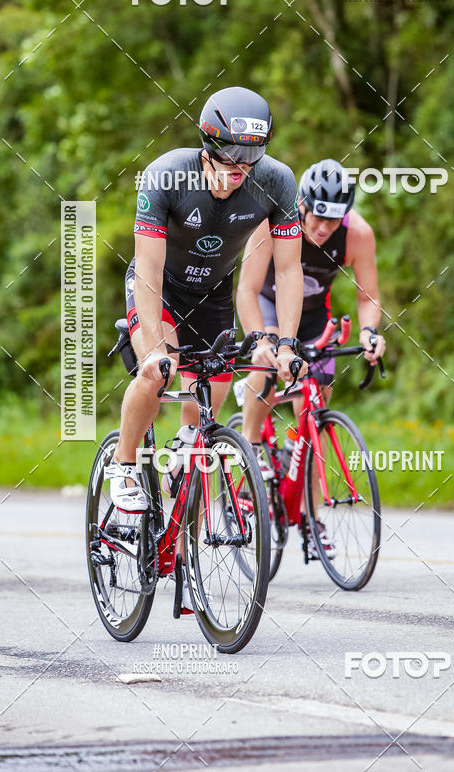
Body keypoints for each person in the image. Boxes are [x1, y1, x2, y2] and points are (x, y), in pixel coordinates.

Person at [105, 86, 306, 515]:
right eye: (231, 156)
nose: (241, 169)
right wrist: (156, 348)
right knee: (159, 372)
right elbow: (148, 270)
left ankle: (180, 552)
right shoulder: (166, 176)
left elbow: (288, 271)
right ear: (207, 147)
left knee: (199, 434)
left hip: (212, 295)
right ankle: (123, 464)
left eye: (252, 157)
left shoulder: (277, 181)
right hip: (159, 287)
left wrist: (286, 344)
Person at [237, 158, 386, 559]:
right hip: (268, 309)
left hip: (313, 320)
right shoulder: (273, 223)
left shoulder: (358, 235)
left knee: (313, 423)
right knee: (267, 366)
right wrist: (261, 342)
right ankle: (250, 445)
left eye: (333, 222)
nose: (322, 229)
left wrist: (371, 332)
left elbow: (368, 296)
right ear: (301, 204)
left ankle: (311, 515)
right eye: (317, 218)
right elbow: (247, 291)